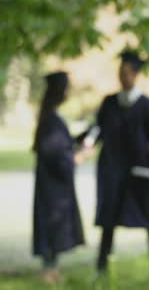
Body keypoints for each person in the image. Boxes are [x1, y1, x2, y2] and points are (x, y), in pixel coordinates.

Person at [85, 51, 149, 275]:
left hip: (139, 170)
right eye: (120, 72)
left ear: (136, 75)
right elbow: (97, 129)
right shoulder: (110, 102)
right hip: (112, 170)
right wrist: (83, 143)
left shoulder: (147, 105)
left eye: (127, 73)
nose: (122, 77)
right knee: (109, 219)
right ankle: (101, 268)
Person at [32, 71, 86, 285]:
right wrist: (77, 158)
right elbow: (56, 154)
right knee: (51, 224)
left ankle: (52, 269)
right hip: (52, 184)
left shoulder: (51, 117)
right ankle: (48, 270)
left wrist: (79, 140)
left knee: (55, 223)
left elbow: (62, 143)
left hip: (52, 184)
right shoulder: (50, 120)